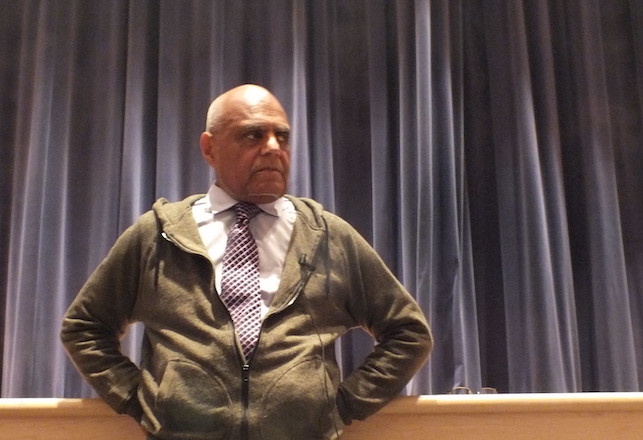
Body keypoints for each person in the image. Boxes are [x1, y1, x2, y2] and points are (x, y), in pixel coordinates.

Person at [60, 84, 433, 440]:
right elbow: (84, 327)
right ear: (210, 149)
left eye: (282, 136)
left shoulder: (327, 235)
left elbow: (409, 333)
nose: (273, 147)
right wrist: (141, 400)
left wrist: (341, 407)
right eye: (253, 135)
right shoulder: (158, 236)